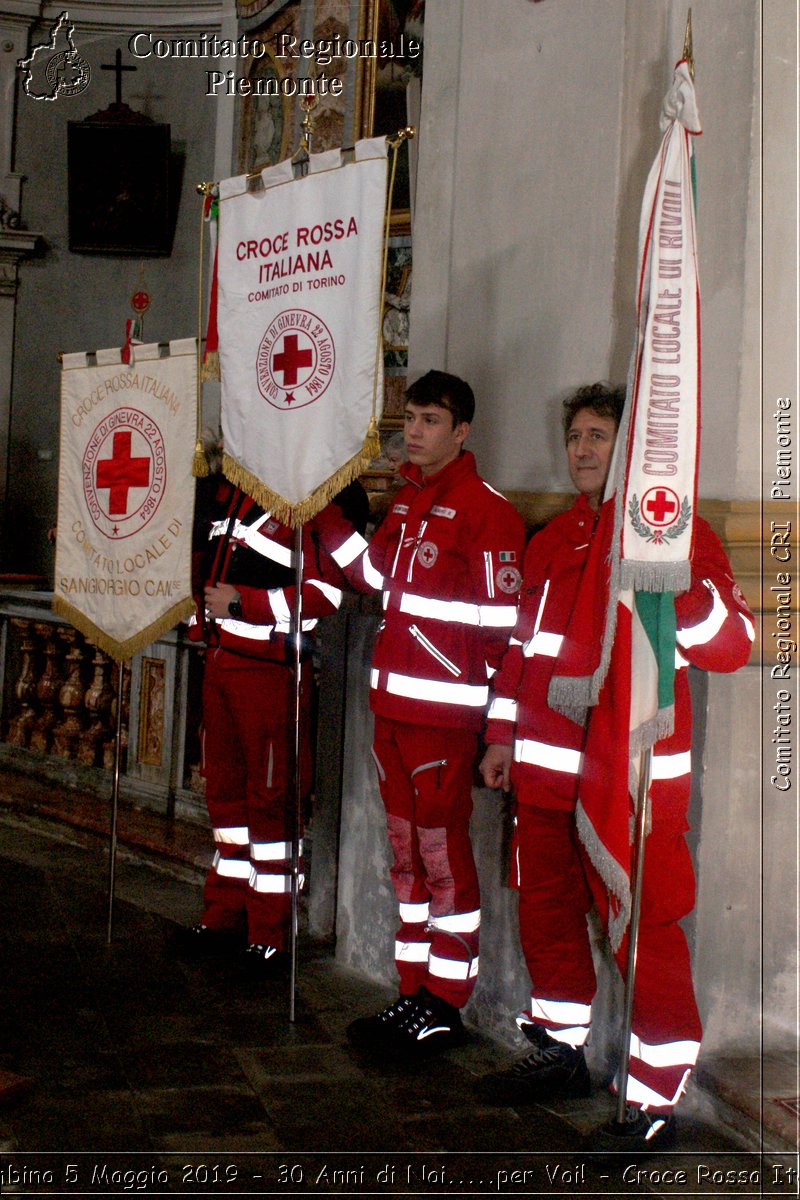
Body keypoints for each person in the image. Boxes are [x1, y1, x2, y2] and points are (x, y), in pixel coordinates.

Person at [477, 382, 754, 1151]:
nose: (583, 451)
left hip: (625, 784)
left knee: (647, 935)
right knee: (548, 919)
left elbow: (730, 647)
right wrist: (502, 737)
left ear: (632, 449)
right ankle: (562, 1053)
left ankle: (653, 1101)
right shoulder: (549, 540)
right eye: (576, 438)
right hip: (540, 771)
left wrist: (676, 580)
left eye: (600, 436)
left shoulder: (679, 534)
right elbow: (519, 655)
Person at [328, 370, 526, 1055]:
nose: (413, 431)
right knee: (407, 859)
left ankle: (446, 1001)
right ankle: (412, 991)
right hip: (391, 711)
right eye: (409, 418)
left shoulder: (487, 511)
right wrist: (325, 517)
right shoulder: (408, 502)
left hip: (444, 720)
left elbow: (508, 639)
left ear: (462, 431)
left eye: (430, 420)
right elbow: (373, 579)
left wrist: (498, 731)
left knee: (443, 859)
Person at [178, 457, 368, 978]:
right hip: (219, 663)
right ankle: (223, 915)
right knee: (225, 798)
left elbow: (328, 593)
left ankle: (269, 933)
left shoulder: (319, 493)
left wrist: (244, 602)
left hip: (269, 670)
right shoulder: (229, 491)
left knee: (270, 804)